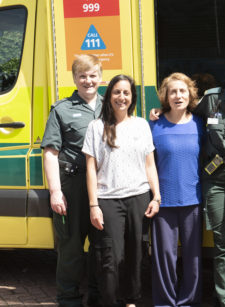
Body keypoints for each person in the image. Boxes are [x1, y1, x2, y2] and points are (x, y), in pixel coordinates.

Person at [150, 55, 225, 306]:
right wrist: (160, 111)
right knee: (223, 240)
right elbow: (183, 113)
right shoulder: (212, 99)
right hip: (215, 179)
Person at [82, 74, 161, 307]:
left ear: (132, 97)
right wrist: (93, 205)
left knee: (136, 256)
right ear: (109, 96)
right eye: (117, 92)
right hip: (107, 201)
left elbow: (150, 165)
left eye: (126, 93)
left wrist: (156, 196)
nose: (122, 97)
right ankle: (109, 301)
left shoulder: (141, 125)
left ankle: (131, 301)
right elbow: (90, 169)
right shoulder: (96, 127)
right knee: (110, 258)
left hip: (139, 197)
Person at [41, 54, 102, 307]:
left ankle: (101, 298)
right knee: (71, 249)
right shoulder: (62, 109)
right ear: (75, 79)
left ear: (101, 77)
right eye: (82, 76)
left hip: (105, 188)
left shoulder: (111, 105)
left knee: (102, 249)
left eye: (92, 75)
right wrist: (55, 191)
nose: (88, 81)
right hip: (73, 186)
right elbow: (50, 152)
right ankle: (69, 300)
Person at [149, 73, 203, 306]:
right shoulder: (153, 125)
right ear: (165, 96)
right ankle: (165, 302)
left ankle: (189, 301)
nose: (178, 95)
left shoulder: (201, 124)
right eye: (173, 92)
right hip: (163, 202)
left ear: (190, 94)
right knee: (164, 258)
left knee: (193, 257)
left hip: (193, 200)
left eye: (182, 91)